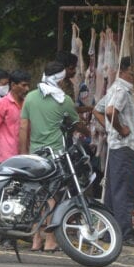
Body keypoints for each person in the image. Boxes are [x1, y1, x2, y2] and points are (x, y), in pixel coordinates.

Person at [20, 61, 88, 252]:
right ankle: (50, 239)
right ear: (60, 78)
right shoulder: (63, 100)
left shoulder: (31, 98)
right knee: (51, 197)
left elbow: (24, 126)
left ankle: (35, 239)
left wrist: (24, 153)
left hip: (34, 155)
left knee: (34, 196)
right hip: (56, 155)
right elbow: (75, 124)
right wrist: (87, 130)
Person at [93, 57, 134, 247]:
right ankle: (124, 233)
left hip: (117, 147)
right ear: (123, 72)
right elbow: (109, 111)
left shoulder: (116, 88)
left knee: (114, 191)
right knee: (124, 192)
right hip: (125, 147)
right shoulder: (122, 89)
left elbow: (97, 110)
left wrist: (109, 128)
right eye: (133, 74)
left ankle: (110, 232)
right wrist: (120, 128)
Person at [0, 69, 30, 163]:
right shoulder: (3, 104)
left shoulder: (27, 103)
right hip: (6, 159)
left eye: (28, 85)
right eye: (23, 85)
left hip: (24, 156)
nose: (27, 89)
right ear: (13, 85)